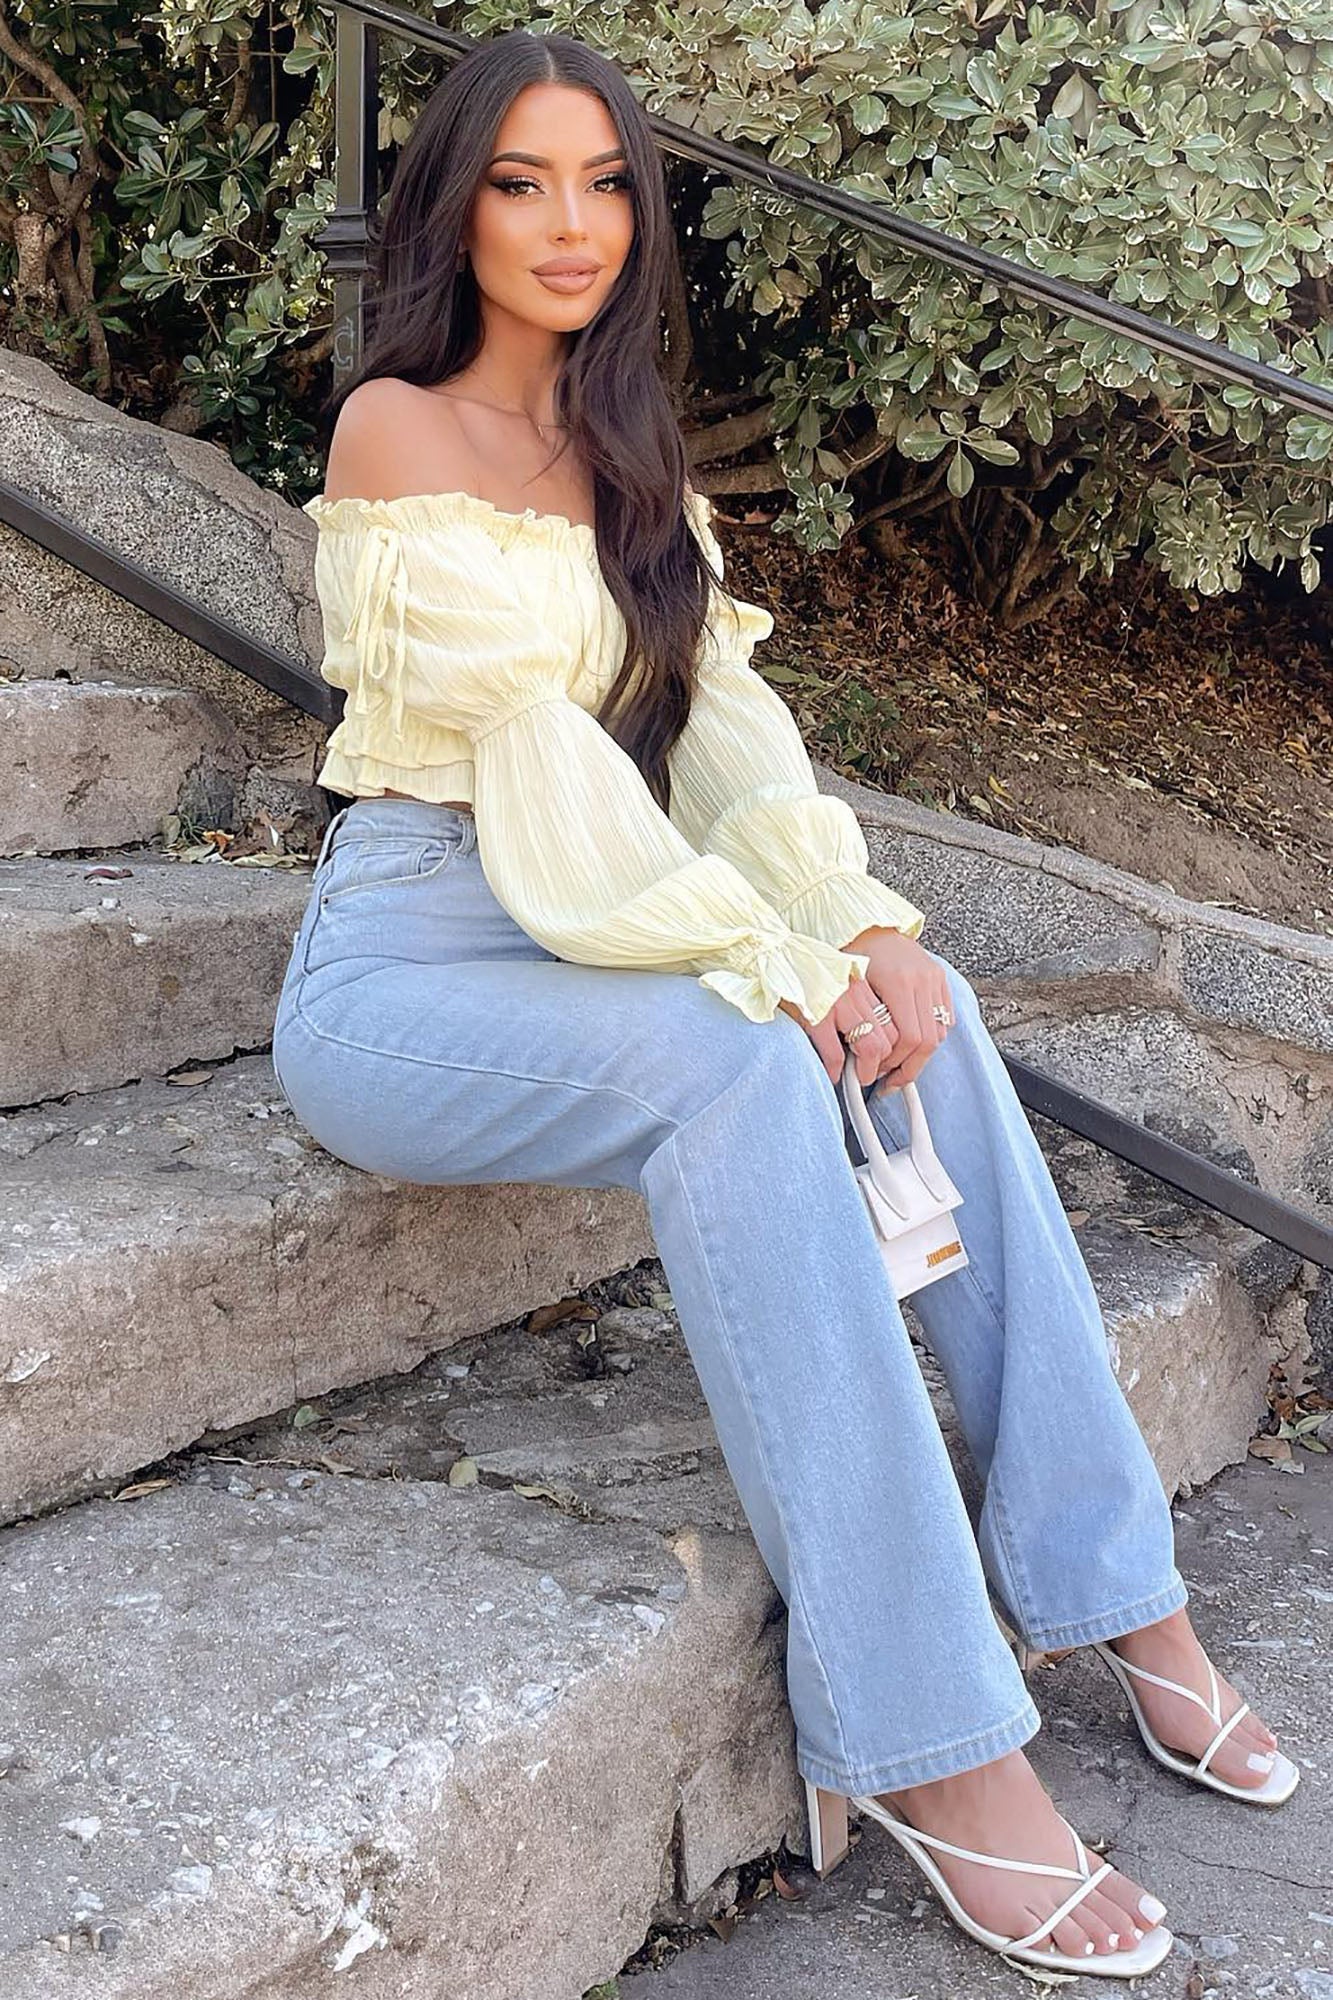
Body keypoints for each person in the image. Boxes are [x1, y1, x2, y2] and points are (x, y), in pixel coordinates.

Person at [272, 26, 1297, 1978]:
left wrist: (857, 924)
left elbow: (717, 741)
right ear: (453, 210)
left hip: (618, 911)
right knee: (746, 1059)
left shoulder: (635, 457)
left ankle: (1118, 1591)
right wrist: (772, 962)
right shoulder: (397, 431)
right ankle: (933, 1746)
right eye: (519, 182)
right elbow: (547, 775)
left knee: (933, 1008)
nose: (567, 223)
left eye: (603, 183)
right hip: (421, 952)